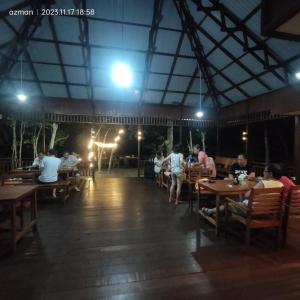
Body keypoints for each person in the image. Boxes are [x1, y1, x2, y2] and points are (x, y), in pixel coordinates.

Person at [202, 164, 283, 216]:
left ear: (270, 174)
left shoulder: (263, 183)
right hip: (268, 212)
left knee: (228, 202)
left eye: (265, 171)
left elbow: (247, 195)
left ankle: (211, 211)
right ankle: (215, 211)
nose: (263, 173)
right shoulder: (281, 185)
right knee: (239, 201)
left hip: (252, 211)